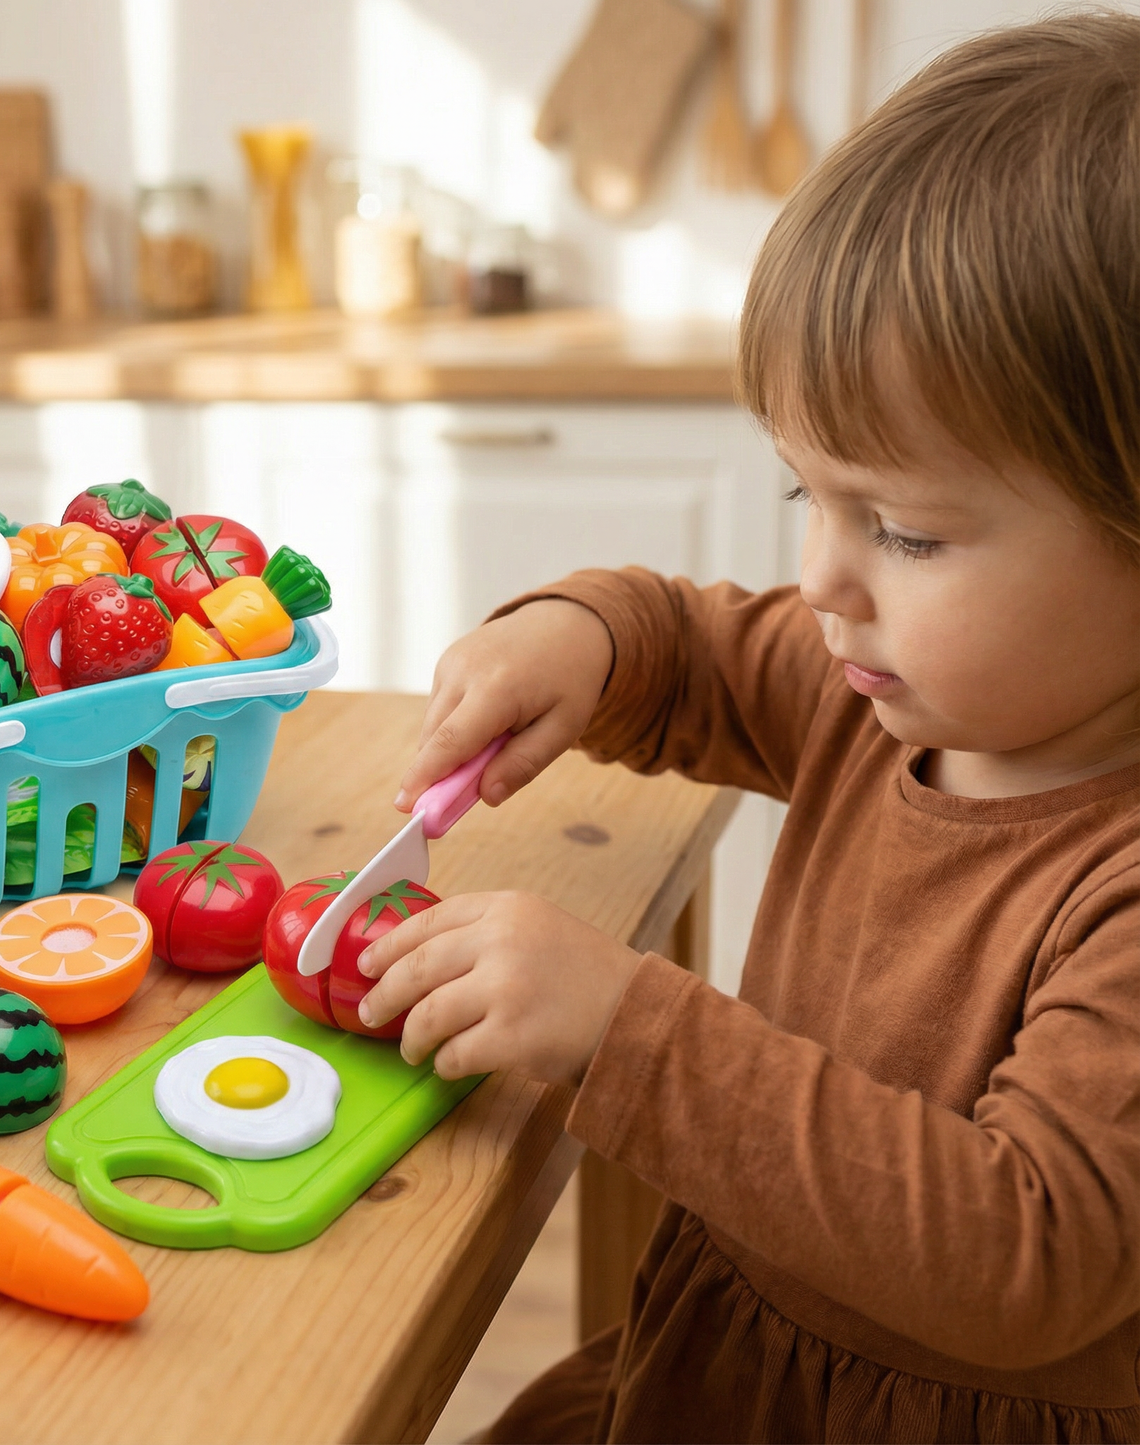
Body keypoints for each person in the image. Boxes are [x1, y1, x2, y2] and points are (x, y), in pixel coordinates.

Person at [354, 14, 1140, 1442]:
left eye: (902, 529)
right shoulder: (887, 684)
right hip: (727, 1359)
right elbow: (698, 649)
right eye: (807, 499)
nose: (824, 581)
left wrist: (631, 1027)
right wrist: (581, 634)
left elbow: (1028, 1255)